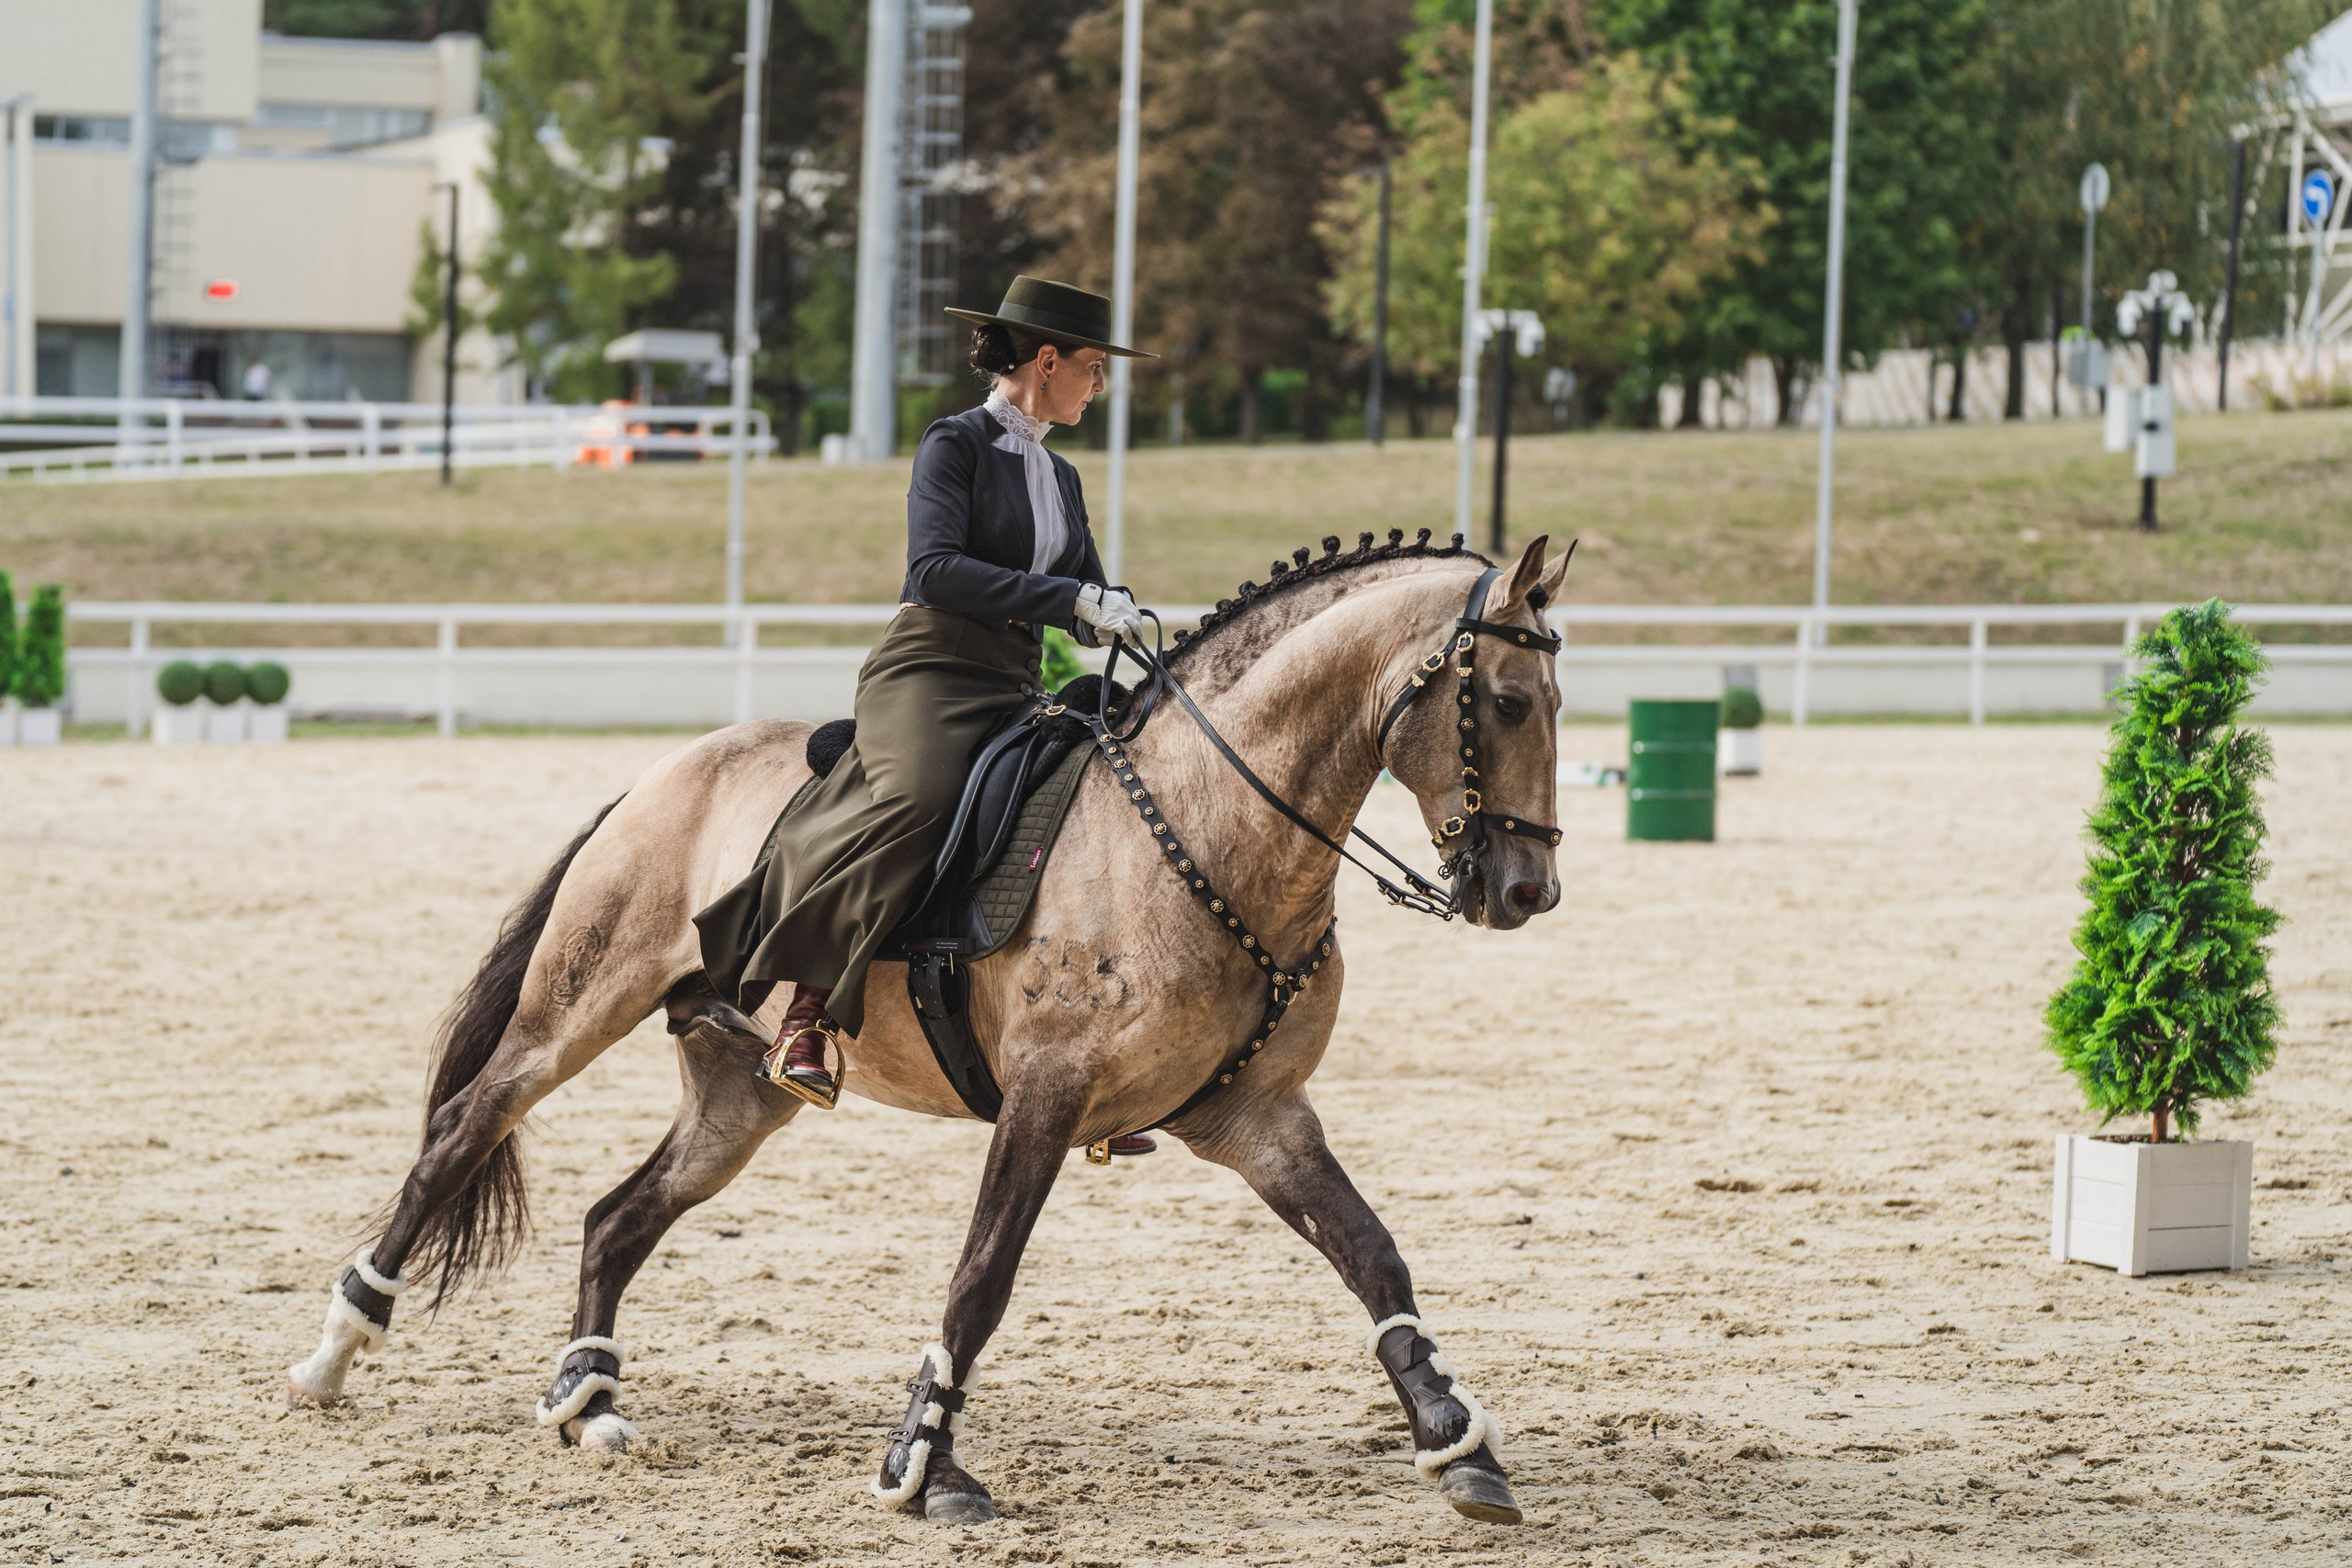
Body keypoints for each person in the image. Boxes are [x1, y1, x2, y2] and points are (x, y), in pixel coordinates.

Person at [694, 276, 1156, 1130]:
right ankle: (807, 1010)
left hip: (1015, 678)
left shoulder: (1061, 475)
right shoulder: (955, 445)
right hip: (932, 671)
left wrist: (1110, 610)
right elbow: (934, 570)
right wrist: (1069, 602)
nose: (1101, 385)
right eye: (1094, 367)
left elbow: (1079, 585)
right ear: (1046, 360)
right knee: (918, 800)